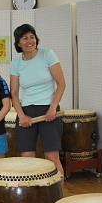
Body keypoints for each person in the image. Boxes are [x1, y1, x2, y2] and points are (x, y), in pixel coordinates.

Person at [9, 24, 67, 176]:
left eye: (32, 37)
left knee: (52, 157)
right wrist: (21, 115)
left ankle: (59, 196)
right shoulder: (16, 62)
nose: (30, 41)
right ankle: (32, 196)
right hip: (26, 111)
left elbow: (61, 84)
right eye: (25, 38)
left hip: (49, 109)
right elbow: (14, 93)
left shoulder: (48, 55)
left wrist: (53, 107)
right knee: (27, 159)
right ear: (18, 43)